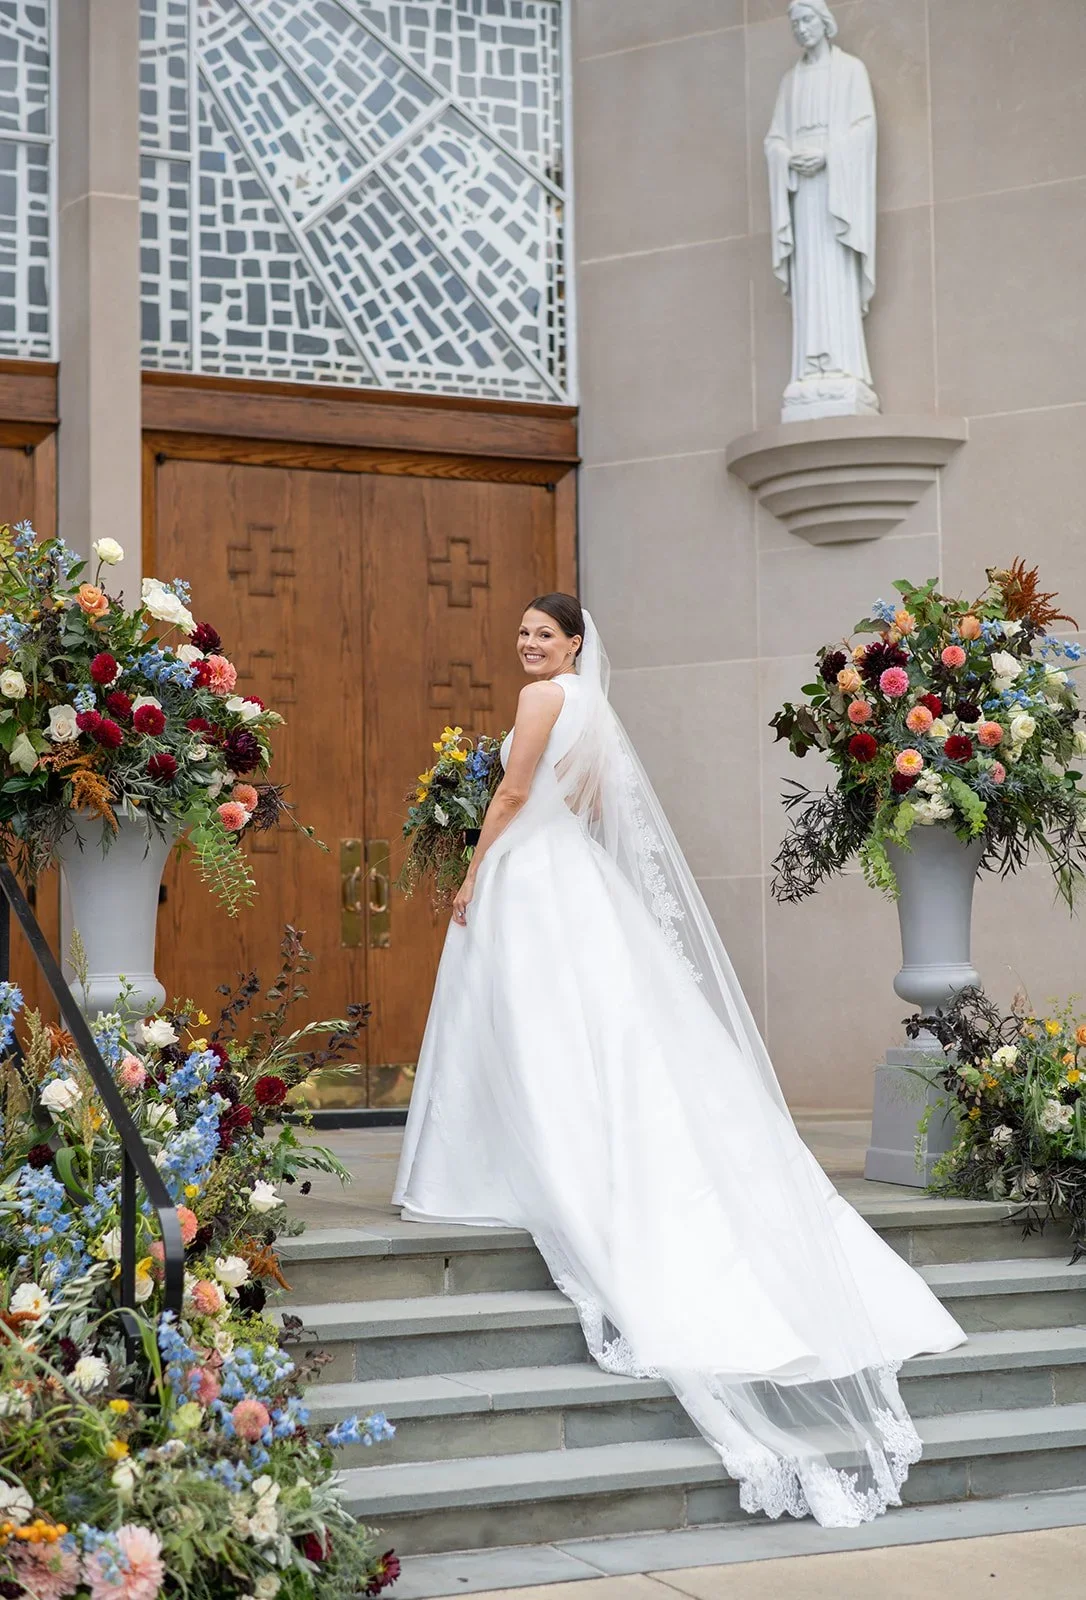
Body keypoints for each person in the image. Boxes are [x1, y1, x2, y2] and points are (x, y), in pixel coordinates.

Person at [394, 595, 965, 1528]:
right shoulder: (594, 706)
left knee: (530, 1022)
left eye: (544, 633)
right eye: (524, 633)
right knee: (585, 1024)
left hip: (530, 873)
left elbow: (511, 793)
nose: (529, 644)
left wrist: (470, 872)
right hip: (569, 867)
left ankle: (506, 1163)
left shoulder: (543, 704)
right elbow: (580, 801)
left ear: (575, 642)